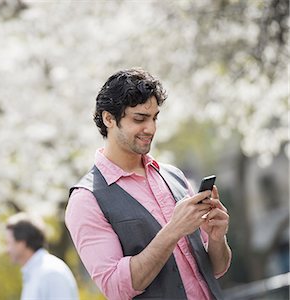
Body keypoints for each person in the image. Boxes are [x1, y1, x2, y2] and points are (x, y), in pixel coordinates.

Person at [65, 67, 231, 300]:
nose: (151, 128)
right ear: (109, 118)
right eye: (139, 119)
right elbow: (116, 288)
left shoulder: (174, 176)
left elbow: (215, 269)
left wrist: (217, 238)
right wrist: (174, 230)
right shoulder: (86, 200)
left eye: (154, 118)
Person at [6, 212, 79, 300]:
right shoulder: (35, 273)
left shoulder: (51, 273)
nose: (7, 250)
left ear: (22, 243)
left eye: (8, 243)